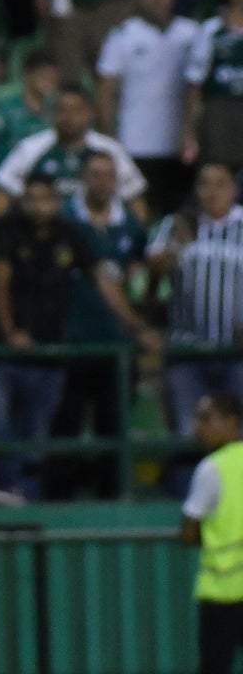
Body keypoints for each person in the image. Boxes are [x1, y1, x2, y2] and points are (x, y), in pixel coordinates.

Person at [0, 172, 158, 505]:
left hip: (52, 352)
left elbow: (103, 282)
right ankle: (4, 485)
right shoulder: (7, 231)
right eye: (32, 198)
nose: (39, 206)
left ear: (57, 202)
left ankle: (28, 492)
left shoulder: (70, 236)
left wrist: (136, 327)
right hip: (7, 350)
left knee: (39, 429)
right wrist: (10, 332)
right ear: (23, 201)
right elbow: (1, 284)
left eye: (46, 199)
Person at [52, 151, 150, 499]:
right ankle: (58, 499)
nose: (103, 182)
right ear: (82, 178)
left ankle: (113, 495)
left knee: (114, 424)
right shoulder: (63, 221)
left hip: (117, 344)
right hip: (71, 341)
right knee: (65, 423)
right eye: (95, 174)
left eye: (109, 175)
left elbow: (140, 276)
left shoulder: (131, 228)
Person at [148, 163, 243, 494]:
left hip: (236, 351)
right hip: (187, 348)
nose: (212, 191)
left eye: (221, 183)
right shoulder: (178, 223)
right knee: (190, 431)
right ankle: (185, 499)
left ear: (234, 189)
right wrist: (176, 247)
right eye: (205, 184)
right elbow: (155, 267)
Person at [96, 0, 198, 216]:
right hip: (135, 142)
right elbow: (105, 89)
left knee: (176, 214)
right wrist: (108, 139)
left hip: (178, 145)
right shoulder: (123, 35)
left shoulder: (192, 33)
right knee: (139, 213)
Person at [0, 84, 148, 223]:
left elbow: (135, 199)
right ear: (52, 114)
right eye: (62, 110)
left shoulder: (111, 149)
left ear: (89, 113)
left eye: (76, 111)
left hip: (97, 233)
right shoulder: (30, 148)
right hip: (47, 235)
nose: (69, 117)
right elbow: (1, 197)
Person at [180, 390, 243, 674]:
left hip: (221, 594)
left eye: (207, 419)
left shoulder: (211, 468)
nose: (199, 427)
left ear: (232, 422)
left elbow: (189, 532)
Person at [183, 0, 243, 170]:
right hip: (220, 112)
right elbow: (194, 82)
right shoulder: (211, 30)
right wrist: (189, 131)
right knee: (218, 170)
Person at [0, 48, 59, 184]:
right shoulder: (6, 108)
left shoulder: (55, 111)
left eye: (53, 79)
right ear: (28, 74)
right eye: (44, 77)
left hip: (43, 181)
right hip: (7, 178)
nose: (48, 83)